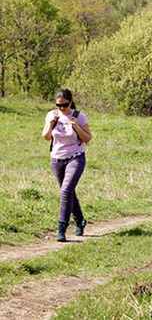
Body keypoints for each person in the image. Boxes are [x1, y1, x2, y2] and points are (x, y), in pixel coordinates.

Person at [42, 89, 93, 242]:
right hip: (57, 159)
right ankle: (80, 220)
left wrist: (77, 126)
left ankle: (61, 228)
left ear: (70, 103)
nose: (61, 108)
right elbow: (46, 137)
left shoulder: (79, 116)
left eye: (64, 105)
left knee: (65, 191)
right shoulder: (52, 115)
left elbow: (88, 139)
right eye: (58, 105)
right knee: (68, 192)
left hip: (75, 157)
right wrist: (51, 124)